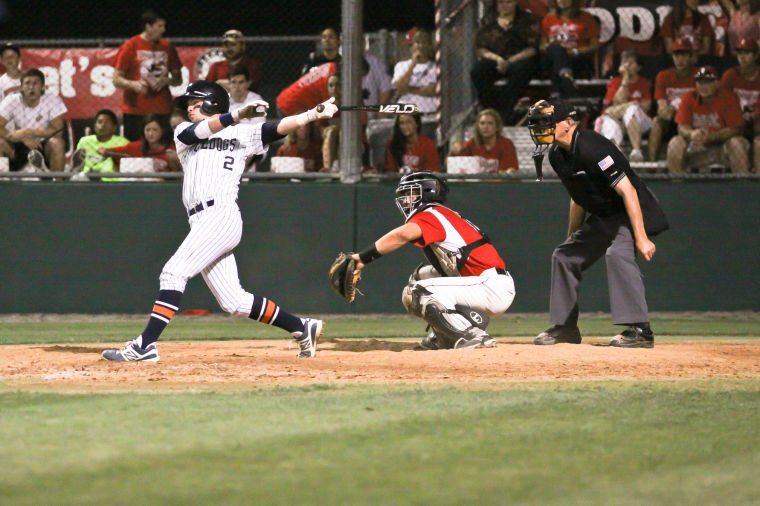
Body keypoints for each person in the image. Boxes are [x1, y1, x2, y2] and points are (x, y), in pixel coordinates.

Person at [101, 81, 338, 362]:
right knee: (234, 301)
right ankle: (302, 327)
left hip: (221, 215)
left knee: (173, 273)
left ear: (212, 103)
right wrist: (236, 115)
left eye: (196, 102)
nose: (189, 107)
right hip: (201, 220)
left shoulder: (242, 133)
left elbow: (275, 128)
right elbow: (199, 131)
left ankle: (145, 345)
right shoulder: (182, 132)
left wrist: (312, 114)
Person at [526, 98, 669, 348]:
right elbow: (577, 198)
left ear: (568, 123)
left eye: (546, 123)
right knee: (564, 256)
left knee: (617, 254)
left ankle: (640, 330)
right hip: (604, 216)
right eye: (537, 124)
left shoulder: (592, 147)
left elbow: (628, 191)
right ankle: (565, 328)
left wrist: (641, 237)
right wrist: (573, 236)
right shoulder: (557, 155)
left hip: (631, 210)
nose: (540, 128)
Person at [349, 171, 516, 350]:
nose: (405, 200)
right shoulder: (439, 213)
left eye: (410, 193)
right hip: (485, 283)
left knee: (416, 292)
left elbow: (403, 234)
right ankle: (444, 336)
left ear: (427, 191)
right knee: (420, 277)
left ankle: (470, 335)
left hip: (490, 286)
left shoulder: (431, 213)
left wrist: (362, 258)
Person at [112, 8, 182, 141]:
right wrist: (132, 84)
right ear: (148, 26)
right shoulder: (130, 46)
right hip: (135, 109)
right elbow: (116, 79)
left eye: (164, 26)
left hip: (162, 108)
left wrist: (166, 81)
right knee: (136, 151)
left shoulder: (168, 47)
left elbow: (178, 79)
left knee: (162, 148)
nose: (163, 30)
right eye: (159, 26)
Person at [667, 65, 749, 174]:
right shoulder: (689, 97)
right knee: (675, 143)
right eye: (700, 82)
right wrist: (692, 134)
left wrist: (712, 137)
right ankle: (677, 185)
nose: (703, 86)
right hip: (696, 146)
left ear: (717, 83)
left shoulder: (729, 98)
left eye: (708, 82)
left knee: (736, 143)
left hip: (723, 146)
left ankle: (742, 186)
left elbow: (736, 129)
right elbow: (681, 127)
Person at [470, 0, 540, 124]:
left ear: (515, 3)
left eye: (508, 2)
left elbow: (533, 48)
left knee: (523, 70)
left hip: (520, 59)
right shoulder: (488, 20)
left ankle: (503, 113)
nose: (504, 5)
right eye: (501, 2)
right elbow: (480, 49)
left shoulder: (527, 19)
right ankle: (491, 109)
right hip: (496, 59)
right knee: (478, 71)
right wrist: (498, 59)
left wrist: (509, 61)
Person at [0, 68, 67, 172]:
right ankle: (3, 183)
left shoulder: (53, 100)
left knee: (57, 143)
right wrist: (21, 138)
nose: (31, 87)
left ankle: (57, 184)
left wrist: (27, 132)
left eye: (35, 83)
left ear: (43, 87)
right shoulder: (12, 100)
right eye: (27, 83)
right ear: (21, 87)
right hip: (18, 147)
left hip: (43, 146)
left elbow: (57, 131)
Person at [593, 49, 653, 162]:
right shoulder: (615, 82)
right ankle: (617, 157)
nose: (627, 65)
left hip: (640, 122)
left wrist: (625, 107)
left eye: (631, 62)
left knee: (632, 109)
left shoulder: (645, 83)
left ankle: (636, 151)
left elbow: (646, 107)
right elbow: (615, 104)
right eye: (624, 62)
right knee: (610, 122)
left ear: (638, 68)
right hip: (617, 120)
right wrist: (625, 79)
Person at [649, 37, 698, 162]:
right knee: (656, 121)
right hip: (671, 119)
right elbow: (662, 106)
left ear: (691, 57)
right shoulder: (663, 76)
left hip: (693, 118)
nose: (680, 59)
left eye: (684, 55)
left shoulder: (699, 76)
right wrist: (666, 111)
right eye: (676, 55)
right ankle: (652, 164)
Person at [539, 0, 600, 98]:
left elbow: (595, 45)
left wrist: (576, 51)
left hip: (576, 58)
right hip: (552, 57)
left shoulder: (586, 18)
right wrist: (550, 44)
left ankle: (556, 93)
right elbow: (542, 46)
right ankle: (566, 75)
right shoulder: (549, 19)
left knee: (557, 61)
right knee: (557, 50)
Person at [97, 114, 180, 173]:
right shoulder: (136, 147)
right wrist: (104, 151)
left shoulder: (172, 147)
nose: (150, 134)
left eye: (155, 130)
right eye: (147, 130)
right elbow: (115, 152)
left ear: (163, 131)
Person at [449, 109, 519, 174]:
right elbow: (452, 165)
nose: (486, 127)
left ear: (497, 127)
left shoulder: (506, 144)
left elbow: (509, 171)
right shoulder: (472, 143)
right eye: (482, 123)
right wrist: (453, 152)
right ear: (478, 127)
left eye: (490, 123)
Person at [392, 28, 438, 114]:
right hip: (406, 114)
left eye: (424, 42)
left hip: (428, 112)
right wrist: (413, 64)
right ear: (411, 46)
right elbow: (399, 87)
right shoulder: (401, 65)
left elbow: (432, 90)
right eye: (417, 42)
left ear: (429, 45)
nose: (421, 46)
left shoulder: (436, 66)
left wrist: (408, 89)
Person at [71, 109, 129, 174]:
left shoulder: (123, 143)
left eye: (107, 123)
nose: (103, 125)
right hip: (88, 178)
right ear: (95, 126)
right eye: (100, 122)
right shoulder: (85, 141)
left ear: (114, 128)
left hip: (112, 179)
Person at [206, 29, 262, 93]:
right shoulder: (216, 67)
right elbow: (207, 87)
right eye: (226, 45)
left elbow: (251, 87)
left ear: (242, 46)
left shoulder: (251, 65)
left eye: (233, 44)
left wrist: (221, 84)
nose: (229, 48)